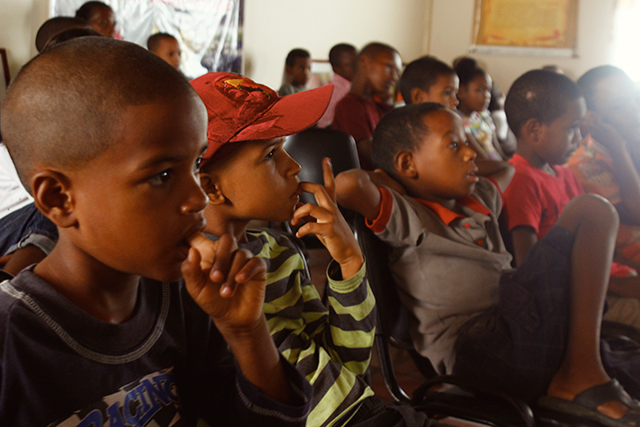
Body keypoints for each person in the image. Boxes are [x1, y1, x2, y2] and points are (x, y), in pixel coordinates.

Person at [0, 37, 312, 426]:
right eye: (162, 175)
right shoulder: (12, 342)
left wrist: (247, 334)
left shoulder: (187, 302)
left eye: (196, 164)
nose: (197, 198)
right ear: (60, 199)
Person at [336, 102, 640, 426]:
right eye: (454, 144)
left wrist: (460, 152)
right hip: (479, 351)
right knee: (593, 210)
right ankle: (581, 374)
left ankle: (581, 371)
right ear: (408, 163)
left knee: (628, 363)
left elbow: (506, 169)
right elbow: (348, 185)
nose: (470, 153)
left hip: (522, 331)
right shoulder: (405, 215)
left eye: (468, 142)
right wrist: (394, 181)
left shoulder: (478, 200)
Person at [190, 71, 429, 427]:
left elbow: (349, 365)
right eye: (271, 154)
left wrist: (349, 261)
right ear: (211, 188)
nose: (295, 167)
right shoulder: (191, 276)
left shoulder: (280, 253)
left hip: (364, 413)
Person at [502, 69, 640, 330]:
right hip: (581, 299)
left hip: (606, 279)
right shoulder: (522, 182)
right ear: (534, 130)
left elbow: (597, 244)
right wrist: (620, 286)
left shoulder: (564, 175)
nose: (579, 139)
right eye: (572, 128)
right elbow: (532, 269)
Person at [567, 66, 640, 272]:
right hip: (626, 261)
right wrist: (618, 147)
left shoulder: (634, 139)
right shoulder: (583, 164)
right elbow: (637, 213)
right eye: (619, 106)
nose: (635, 109)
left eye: (636, 98)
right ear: (591, 118)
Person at [332, 42, 402, 170]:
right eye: (389, 66)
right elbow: (374, 158)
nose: (394, 77)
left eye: (397, 72)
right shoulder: (349, 106)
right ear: (364, 62)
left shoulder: (376, 106)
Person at [454, 58, 506, 160]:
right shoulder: (458, 121)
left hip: (498, 166)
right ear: (461, 92)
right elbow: (479, 158)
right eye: (480, 90)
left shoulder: (484, 116)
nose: (487, 96)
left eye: (488, 90)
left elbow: (498, 150)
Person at [317, 43, 358, 128]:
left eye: (358, 63)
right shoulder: (340, 91)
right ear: (336, 68)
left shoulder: (349, 87)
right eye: (350, 65)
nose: (357, 67)